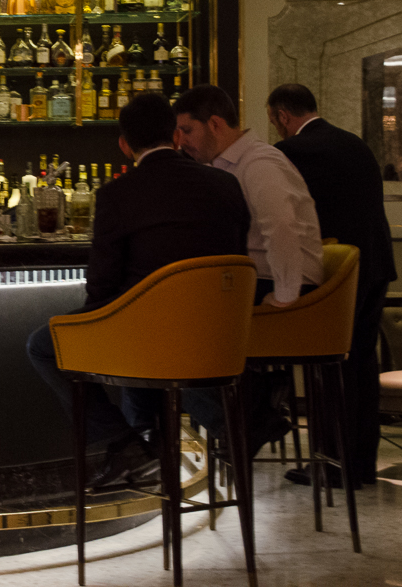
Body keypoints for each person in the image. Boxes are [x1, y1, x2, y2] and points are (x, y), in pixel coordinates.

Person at [27, 94, 250, 487]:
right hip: (217, 338)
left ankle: (126, 443)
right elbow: (237, 252)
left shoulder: (117, 195)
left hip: (148, 340)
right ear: (176, 136)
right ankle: (226, 423)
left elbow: (101, 285)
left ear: (124, 145)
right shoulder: (226, 184)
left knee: (44, 346)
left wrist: (104, 320)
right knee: (143, 340)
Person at [269, 83, 397, 486]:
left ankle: (332, 464)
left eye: (275, 121)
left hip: (338, 270)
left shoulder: (294, 151)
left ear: (283, 116)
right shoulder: (355, 144)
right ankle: (361, 464)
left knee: (330, 365)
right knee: (362, 364)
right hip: (376, 264)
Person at [174, 85, 323, 308]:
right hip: (253, 277)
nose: (181, 142)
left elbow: (281, 225)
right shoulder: (224, 166)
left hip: (279, 283)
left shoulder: (259, 162)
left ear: (215, 124)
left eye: (187, 131)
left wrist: (284, 299)